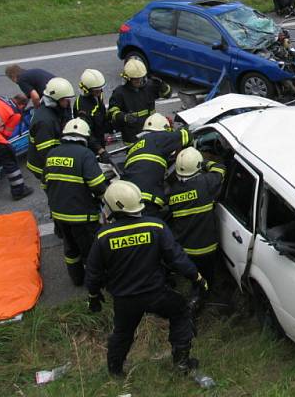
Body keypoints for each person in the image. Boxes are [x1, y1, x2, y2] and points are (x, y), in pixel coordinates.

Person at [85, 180, 208, 377]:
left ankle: (115, 372)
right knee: (181, 312)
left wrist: (93, 295)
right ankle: (181, 363)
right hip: (156, 294)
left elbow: (93, 272)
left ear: (113, 207)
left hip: (125, 300)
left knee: (122, 334)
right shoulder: (156, 226)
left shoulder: (103, 236)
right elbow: (177, 258)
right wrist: (197, 277)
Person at [43, 118, 109, 286]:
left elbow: (45, 184)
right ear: (84, 137)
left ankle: (77, 279)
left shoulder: (52, 153)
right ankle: (96, 283)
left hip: (59, 214)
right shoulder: (85, 155)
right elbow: (97, 185)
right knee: (91, 250)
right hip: (81, 215)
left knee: (71, 249)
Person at [166, 147, 226, 306]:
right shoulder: (206, 183)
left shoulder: (173, 193)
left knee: (195, 276)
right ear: (198, 167)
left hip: (186, 249)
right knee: (207, 277)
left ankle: (196, 292)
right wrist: (205, 162)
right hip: (207, 248)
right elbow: (221, 169)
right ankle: (200, 301)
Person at [122, 113, 190, 218]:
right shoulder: (159, 138)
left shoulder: (135, 145)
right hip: (147, 198)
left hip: (127, 197)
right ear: (164, 130)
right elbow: (186, 134)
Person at [108, 59, 171, 145]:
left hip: (151, 129)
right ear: (128, 79)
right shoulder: (120, 92)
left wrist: (162, 86)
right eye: (135, 79)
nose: (139, 81)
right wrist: (124, 117)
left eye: (140, 78)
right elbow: (112, 112)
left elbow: (167, 94)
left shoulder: (149, 86)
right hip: (132, 135)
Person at [26, 77, 74, 180]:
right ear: (56, 99)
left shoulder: (59, 108)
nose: (68, 102)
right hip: (42, 167)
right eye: (65, 99)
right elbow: (47, 154)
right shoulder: (44, 122)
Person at [72, 69, 111, 163]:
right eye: (97, 90)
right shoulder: (81, 107)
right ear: (87, 90)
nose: (101, 92)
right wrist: (99, 150)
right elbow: (86, 132)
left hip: (100, 137)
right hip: (90, 146)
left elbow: (101, 114)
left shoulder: (97, 96)